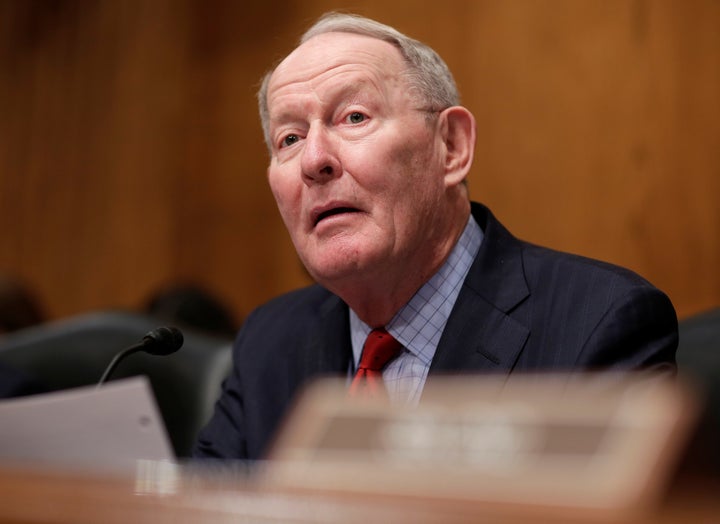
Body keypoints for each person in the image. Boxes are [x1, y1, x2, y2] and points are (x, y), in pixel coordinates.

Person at [193, 12, 678, 460]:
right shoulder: (270, 342)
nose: (314, 160)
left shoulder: (598, 325)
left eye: (354, 118)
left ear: (451, 147)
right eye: (290, 139)